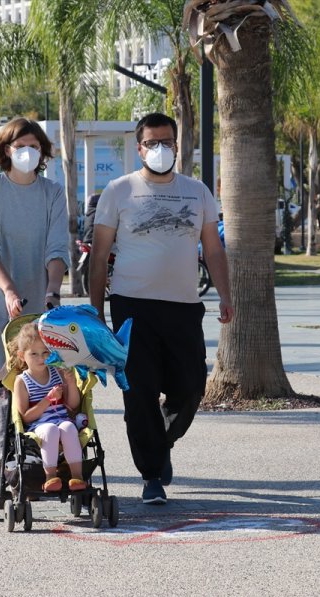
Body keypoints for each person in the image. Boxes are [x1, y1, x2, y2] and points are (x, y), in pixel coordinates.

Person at [89, 112, 234, 505]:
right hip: (131, 305)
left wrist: (225, 294)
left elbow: (214, 248)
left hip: (184, 306)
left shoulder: (198, 191)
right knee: (139, 392)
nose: (160, 149)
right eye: (152, 142)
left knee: (190, 388)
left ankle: (163, 436)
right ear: (139, 149)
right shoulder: (119, 191)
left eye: (166, 141)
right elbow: (100, 257)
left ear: (177, 145)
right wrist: (95, 312)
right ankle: (151, 474)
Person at [0, 118, 69, 496]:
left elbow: (57, 247)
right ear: (5, 150)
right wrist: (9, 290)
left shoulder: (52, 192)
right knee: (0, 378)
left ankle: (43, 458)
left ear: (43, 151)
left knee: (42, 376)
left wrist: (53, 290)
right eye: (19, 145)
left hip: (39, 300)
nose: (27, 151)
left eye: (34, 145)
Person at [11, 322, 86, 493]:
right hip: (38, 425)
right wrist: (48, 399)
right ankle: (50, 477)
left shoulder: (56, 372)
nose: (41, 358)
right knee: (51, 430)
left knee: (68, 427)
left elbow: (73, 405)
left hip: (62, 419)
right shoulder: (22, 381)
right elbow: (25, 417)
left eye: (45, 352)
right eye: (34, 354)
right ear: (22, 356)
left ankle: (77, 477)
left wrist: (71, 383)